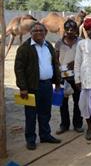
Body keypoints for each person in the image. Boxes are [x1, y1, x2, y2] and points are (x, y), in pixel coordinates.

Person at [15, 22, 62, 150]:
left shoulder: (49, 47)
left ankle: (45, 135)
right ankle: (30, 139)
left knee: (45, 113)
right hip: (31, 87)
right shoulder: (24, 48)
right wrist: (22, 87)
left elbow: (55, 65)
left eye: (41, 30)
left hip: (47, 86)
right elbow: (19, 69)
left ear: (45, 32)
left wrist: (58, 82)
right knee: (30, 115)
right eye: (35, 31)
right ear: (30, 33)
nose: (38, 33)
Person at [55, 19, 83, 135]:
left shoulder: (81, 42)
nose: (70, 31)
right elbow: (55, 59)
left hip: (77, 77)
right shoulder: (59, 43)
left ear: (76, 30)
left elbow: (84, 57)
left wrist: (75, 63)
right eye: (67, 29)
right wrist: (61, 68)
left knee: (78, 102)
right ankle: (64, 125)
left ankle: (77, 124)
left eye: (72, 29)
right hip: (63, 77)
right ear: (65, 30)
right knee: (62, 103)